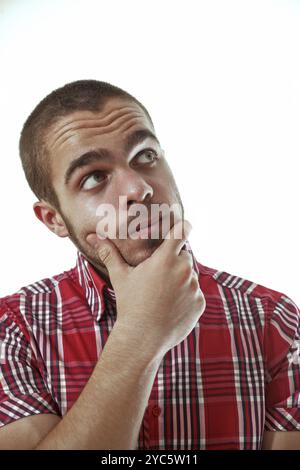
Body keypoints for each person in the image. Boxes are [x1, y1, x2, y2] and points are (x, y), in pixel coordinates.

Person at [0, 80, 299, 450]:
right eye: (94, 177)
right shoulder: (13, 330)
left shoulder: (275, 320)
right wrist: (140, 334)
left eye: (145, 156)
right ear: (53, 219)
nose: (138, 189)